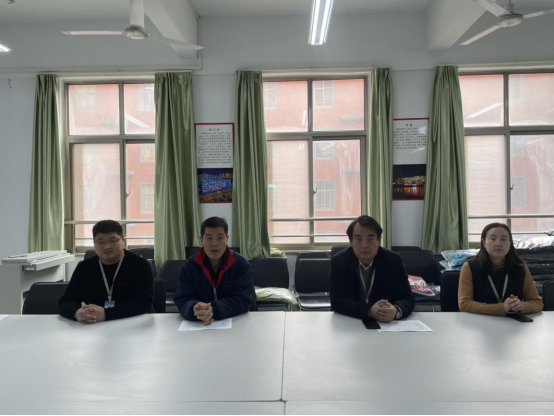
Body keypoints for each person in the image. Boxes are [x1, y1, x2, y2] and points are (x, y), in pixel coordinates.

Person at [59, 220, 154, 323]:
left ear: (122, 240)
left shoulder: (140, 265)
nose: (107, 246)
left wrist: (106, 314)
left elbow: (144, 302)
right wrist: (77, 313)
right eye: (101, 242)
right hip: (96, 324)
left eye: (112, 241)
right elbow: (66, 300)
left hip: (135, 322)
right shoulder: (85, 267)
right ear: (94, 243)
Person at [330, 216, 415, 322]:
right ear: (350, 241)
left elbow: (407, 298)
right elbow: (336, 301)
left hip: (386, 324)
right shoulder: (339, 262)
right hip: (351, 321)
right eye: (358, 239)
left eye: (370, 239)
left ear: (379, 240)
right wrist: (369, 310)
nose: (364, 245)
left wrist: (395, 310)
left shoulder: (394, 261)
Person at [174, 217, 255, 325]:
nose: (214, 243)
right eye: (209, 238)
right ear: (201, 240)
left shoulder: (241, 264)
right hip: (200, 324)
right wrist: (195, 309)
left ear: (227, 238)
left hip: (236, 322)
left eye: (220, 238)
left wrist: (213, 309)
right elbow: (182, 299)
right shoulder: (190, 266)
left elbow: (243, 299)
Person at [459, 223, 543, 316]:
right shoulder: (469, 267)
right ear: (483, 242)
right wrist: (502, 308)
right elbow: (464, 304)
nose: (498, 244)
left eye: (503, 239)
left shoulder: (520, 267)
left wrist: (521, 306)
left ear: (510, 243)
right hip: (479, 321)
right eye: (493, 239)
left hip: (511, 322)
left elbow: (537, 303)